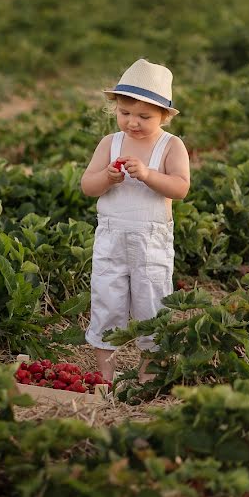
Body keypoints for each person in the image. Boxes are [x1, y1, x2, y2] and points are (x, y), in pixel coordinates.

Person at [80, 58, 191, 383]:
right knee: (106, 298)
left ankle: (148, 374)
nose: (133, 122)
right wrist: (107, 178)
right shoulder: (109, 143)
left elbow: (181, 187)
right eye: (125, 113)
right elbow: (88, 186)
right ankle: (106, 375)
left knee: (151, 302)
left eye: (144, 116)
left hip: (150, 241)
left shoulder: (171, 146)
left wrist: (147, 174)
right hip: (112, 238)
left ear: (164, 116)